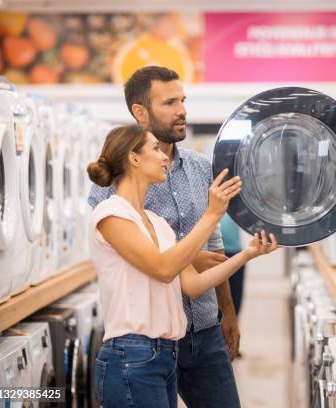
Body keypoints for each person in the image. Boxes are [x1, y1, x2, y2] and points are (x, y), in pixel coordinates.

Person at [87, 124, 278, 408]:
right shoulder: (110, 214)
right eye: (154, 149)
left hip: (165, 355)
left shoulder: (159, 224)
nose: (164, 157)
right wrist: (212, 214)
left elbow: (192, 284)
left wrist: (247, 254)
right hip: (130, 357)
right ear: (134, 158)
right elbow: (163, 269)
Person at [88, 66, 242, 407]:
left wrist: (227, 313)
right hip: (142, 338)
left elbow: (213, 247)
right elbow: (143, 259)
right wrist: (189, 256)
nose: (182, 110)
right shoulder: (113, 189)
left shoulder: (200, 167)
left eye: (183, 100)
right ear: (140, 112)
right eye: (170, 102)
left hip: (202, 328)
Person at [220, 215, 245, 318]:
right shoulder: (206, 202)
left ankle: (233, 321)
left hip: (235, 252)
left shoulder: (236, 203)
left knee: (235, 297)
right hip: (215, 253)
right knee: (218, 295)